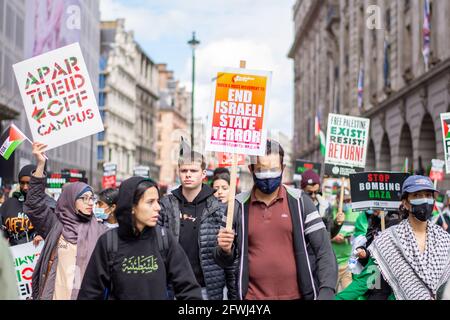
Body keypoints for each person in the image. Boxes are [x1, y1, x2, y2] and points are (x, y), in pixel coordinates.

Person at [214, 139, 337, 300]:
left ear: (283, 168)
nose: (268, 175)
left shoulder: (300, 201)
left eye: (274, 170)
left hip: (297, 296)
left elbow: (324, 250)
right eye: (262, 170)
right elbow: (222, 259)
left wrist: (327, 289)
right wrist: (225, 250)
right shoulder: (237, 206)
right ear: (251, 169)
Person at [78, 177, 202, 300]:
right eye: (150, 202)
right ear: (131, 206)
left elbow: (188, 289)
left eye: (157, 201)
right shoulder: (108, 242)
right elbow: (90, 293)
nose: (158, 207)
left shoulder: (164, 238)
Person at [336, 175, 450, 300]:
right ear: (405, 203)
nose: (424, 200)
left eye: (428, 195)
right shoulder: (388, 241)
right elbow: (364, 282)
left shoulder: (444, 240)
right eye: (417, 195)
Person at [24, 142, 108, 300]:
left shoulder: (100, 232)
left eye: (92, 198)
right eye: (84, 198)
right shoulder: (56, 226)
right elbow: (34, 205)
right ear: (70, 200)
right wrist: (41, 164)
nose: (90, 203)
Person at [159, 150, 235, 300]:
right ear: (178, 172)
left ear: (203, 173)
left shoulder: (219, 209)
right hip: (172, 288)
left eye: (193, 170)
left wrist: (226, 250)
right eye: (184, 170)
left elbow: (230, 261)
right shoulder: (165, 205)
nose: (188, 175)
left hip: (206, 289)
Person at [0, 164, 50, 246]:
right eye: (22, 183)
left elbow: (55, 232)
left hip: (39, 255)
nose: (25, 187)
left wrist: (44, 237)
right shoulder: (8, 205)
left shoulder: (47, 205)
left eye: (28, 183)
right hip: (15, 256)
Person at [330, 187, 360, 292]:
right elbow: (322, 234)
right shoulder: (329, 212)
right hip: (332, 264)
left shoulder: (356, 214)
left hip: (348, 264)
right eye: (344, 201)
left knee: (348, 294)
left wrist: (346, 239)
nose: (347, 203)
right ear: (338, 199)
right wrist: (333, 238)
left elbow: (359, 236)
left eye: (349, 200)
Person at [301, 170, 344, 238]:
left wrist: (337, 224)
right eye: (309, 192)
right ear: (302, 190)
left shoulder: (326, 207)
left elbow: (329, 234)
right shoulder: (296, 206)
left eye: (316, 192)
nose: (313, 195)